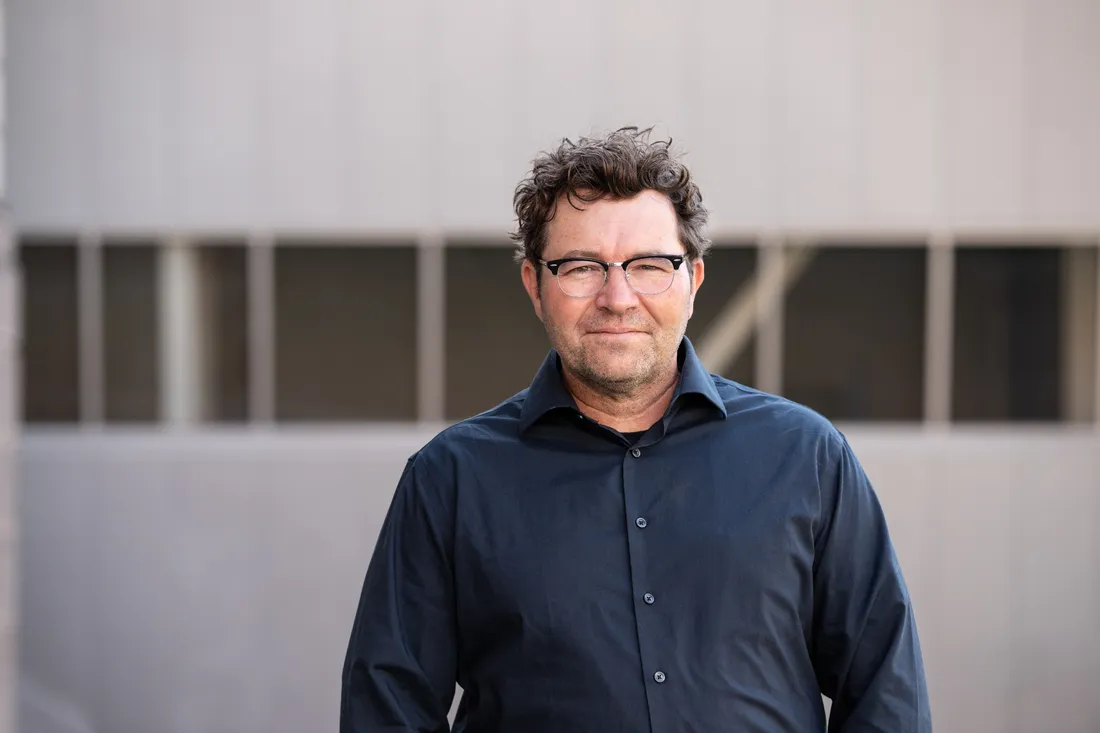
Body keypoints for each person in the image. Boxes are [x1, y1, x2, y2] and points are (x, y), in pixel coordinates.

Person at [340, 127, 932, 732]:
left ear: (693, 281)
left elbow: (886, 691)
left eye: (650, 265)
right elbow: (388, 709)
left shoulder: (805, 456)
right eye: (580, 267)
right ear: (535, 286)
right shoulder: (452, 478)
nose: (617, 297)